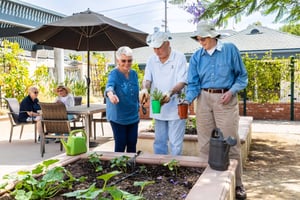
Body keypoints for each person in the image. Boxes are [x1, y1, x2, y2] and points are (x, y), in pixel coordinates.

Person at [184, 21, 248, 200]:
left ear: (213, 36)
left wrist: (232, 91)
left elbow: (242, 76)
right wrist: (187, 99)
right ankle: (208, 184)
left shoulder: (230, 50)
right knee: (204, 143)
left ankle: (238, 185)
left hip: (224, 98)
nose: (200, 41)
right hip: (203, 99)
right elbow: (194, 83)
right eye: (198, 38)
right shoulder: (197, 56)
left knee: (230, 141)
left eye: (203, 38)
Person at [140, 28, 188, 156]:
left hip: (175, 106)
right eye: (154, 48)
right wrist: (145, 88)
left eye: (159, 47)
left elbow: (182, 81)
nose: (156, 51)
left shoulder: (179, 57)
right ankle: (161, 170)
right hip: (158, 107)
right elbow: (147, 79)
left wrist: (170, 92)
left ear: (167, 44)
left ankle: (175, 169)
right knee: (159, 142)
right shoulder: (151, 59)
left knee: (175, 143)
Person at [105, 46, 140, 153]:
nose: (126, 63)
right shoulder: (114, 74)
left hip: (133, 115)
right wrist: (111, 95)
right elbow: (109, 86)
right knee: (121, 143)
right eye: (123, 61)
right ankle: (118, 169)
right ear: (118, 60)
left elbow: (134, 92)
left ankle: (131, 168)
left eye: (129, 61)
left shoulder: (134, 74)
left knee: (132, 143)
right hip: (118, 117)